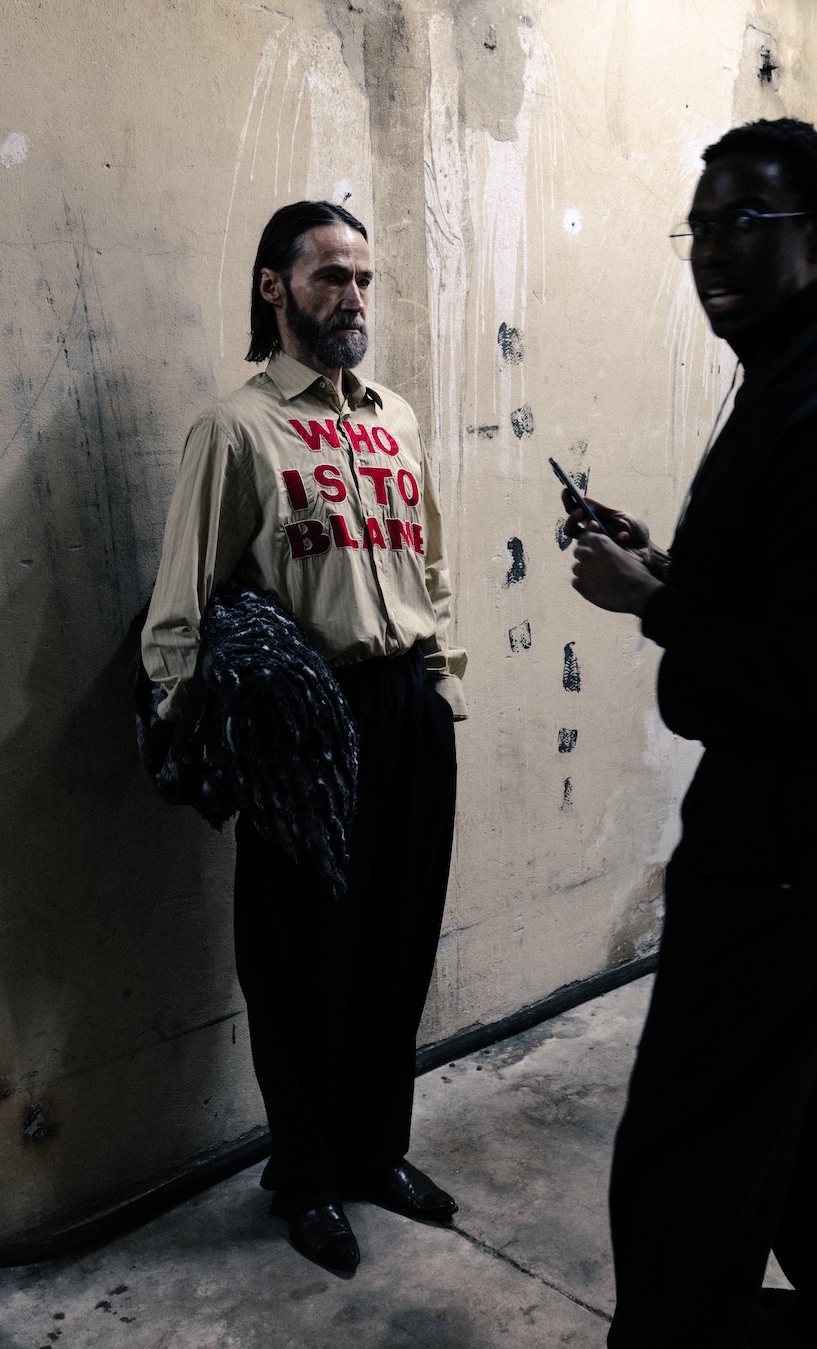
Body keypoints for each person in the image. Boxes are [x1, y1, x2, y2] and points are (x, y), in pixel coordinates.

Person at [142, 200, 466, 1274]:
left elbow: (429, 561)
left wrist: (440, 689)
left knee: (396, 947)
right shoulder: (236, 430)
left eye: (364, 277)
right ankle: (310, 1176)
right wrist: (193, 742)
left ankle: (376, 1152)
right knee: (300, 964)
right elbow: (180, 608)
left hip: (408, 709)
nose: (354, 296)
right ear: (274, 287)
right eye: (331, 274)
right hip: (304, 729)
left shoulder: (394, 416)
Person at [566, 117, 817, 1348]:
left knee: (688, 1142)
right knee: (785, 1119)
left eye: (745, 222)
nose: (712, 250)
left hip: (779, 844)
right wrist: (665, 568)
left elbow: (803, 673)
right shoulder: (781, 374)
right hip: (781, 832)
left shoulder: (810, 400)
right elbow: (782, 599)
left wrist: (652, 605)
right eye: (700, 227)